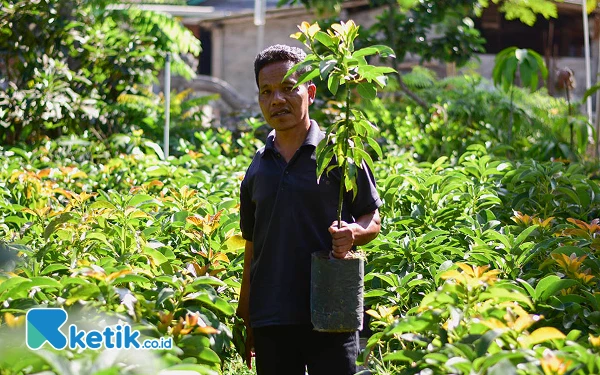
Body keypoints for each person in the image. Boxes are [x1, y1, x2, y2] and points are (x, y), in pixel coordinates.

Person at [237, 44, 382, 375]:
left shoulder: (339, 154)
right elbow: (252, 249)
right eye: (267, 91)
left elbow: (371, 215)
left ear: (311, 92)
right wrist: (245, 319)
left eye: (288, 88)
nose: (277, 100)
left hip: (332, 310)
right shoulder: (257, 169)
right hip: (272, 318)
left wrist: (355, 233)